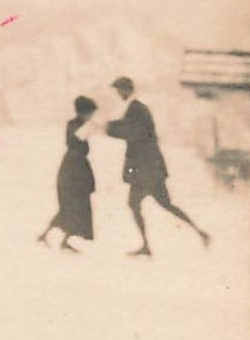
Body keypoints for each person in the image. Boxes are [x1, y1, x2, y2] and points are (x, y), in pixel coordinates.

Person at [104, 77, 210, 257]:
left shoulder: (136, 108)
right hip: (150, 167)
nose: (118, 94)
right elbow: (127, 127)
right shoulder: (136, 107)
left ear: (125, 90)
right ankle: (199, 232)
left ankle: (147, 245)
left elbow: (132, 132)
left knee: (136, 204)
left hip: (146, 168)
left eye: (118, 90)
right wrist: (110, 126)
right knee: (164, 204)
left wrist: (108, 128)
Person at [36, 96, 99, 253]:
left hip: (75, 168)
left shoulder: (77, 124)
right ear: (84, 112)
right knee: (74, 206)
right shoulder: (75, 125)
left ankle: (50, 236)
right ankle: (56, 238)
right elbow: (74, 140)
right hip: (74, 169)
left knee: (72, 206)